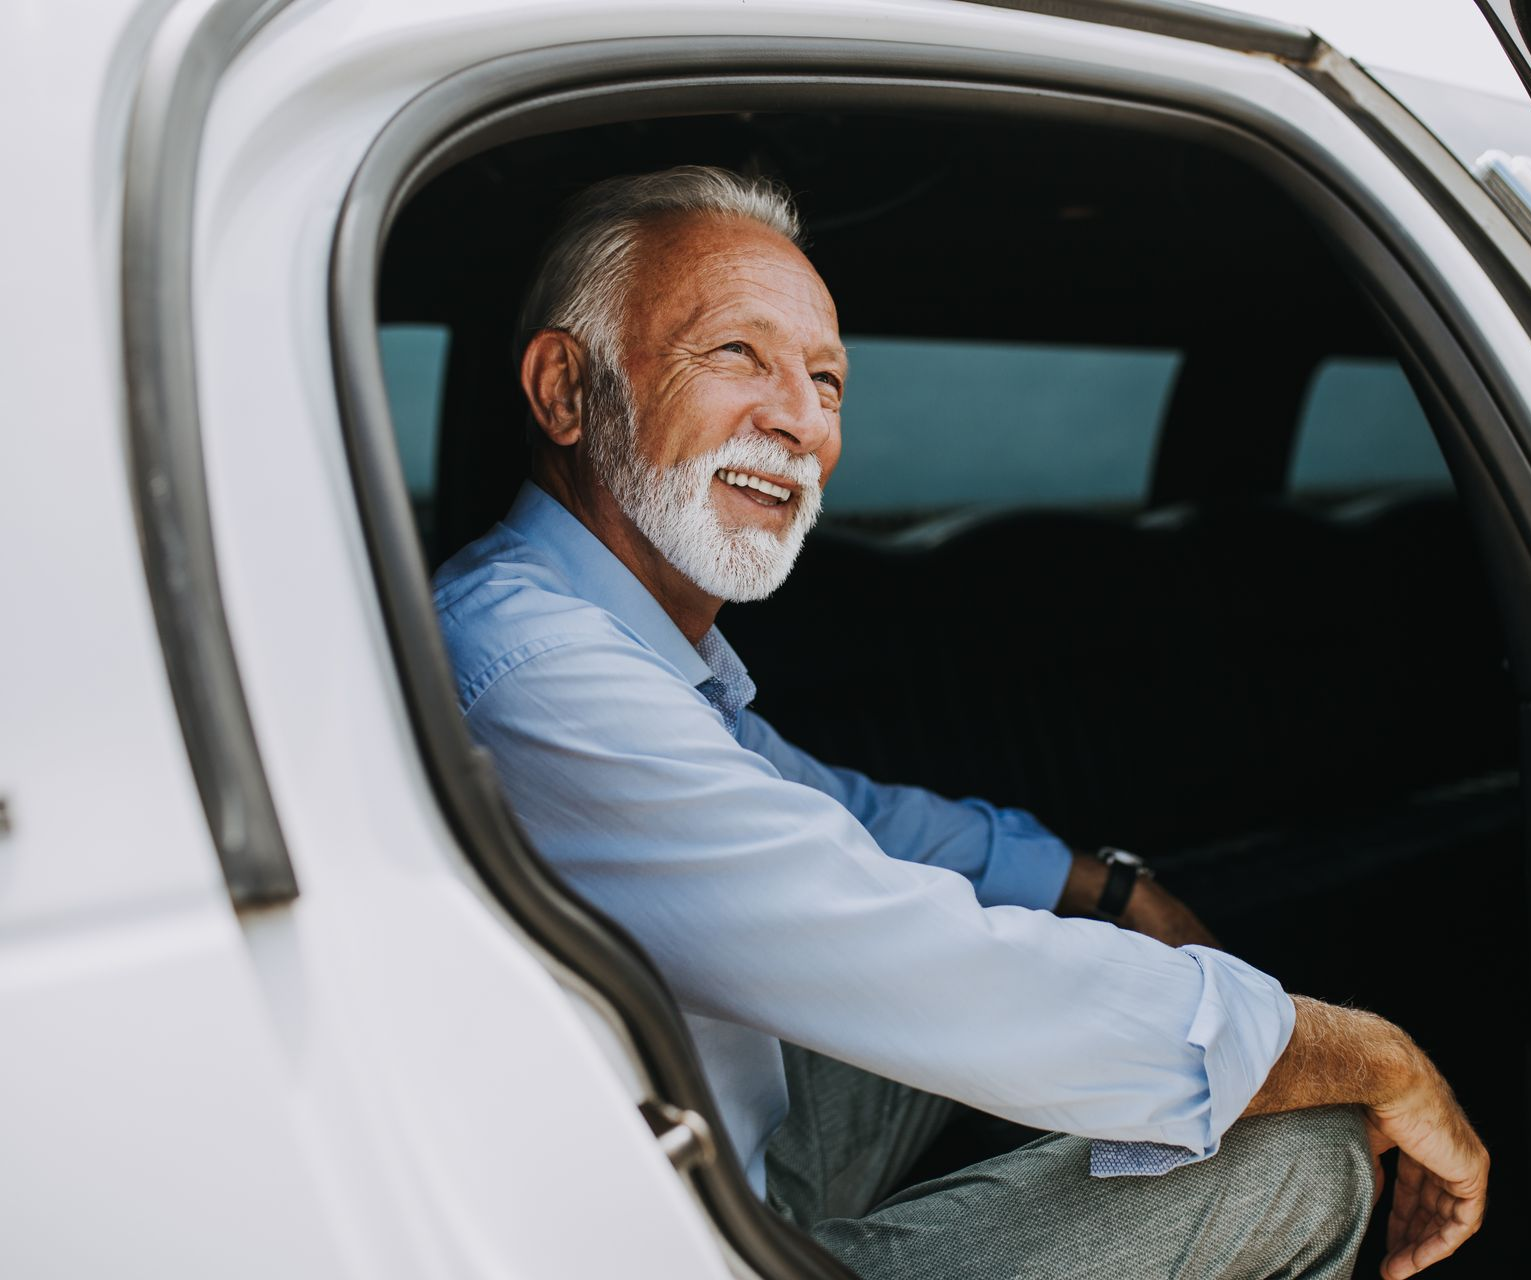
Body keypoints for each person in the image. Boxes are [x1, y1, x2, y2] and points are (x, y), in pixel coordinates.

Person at [433, 166, 1487, 1279]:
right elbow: (921, 957)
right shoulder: (540, 669)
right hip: (657, 1238)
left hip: (705, 1138)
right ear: (564, 389)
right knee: (1305, 1150)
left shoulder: (610, 635)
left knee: (1036, 948)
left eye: (827, 380)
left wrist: (1099, 886)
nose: (799, 420)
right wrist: (1370, 1052)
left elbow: (846, 821)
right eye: (737, 352)